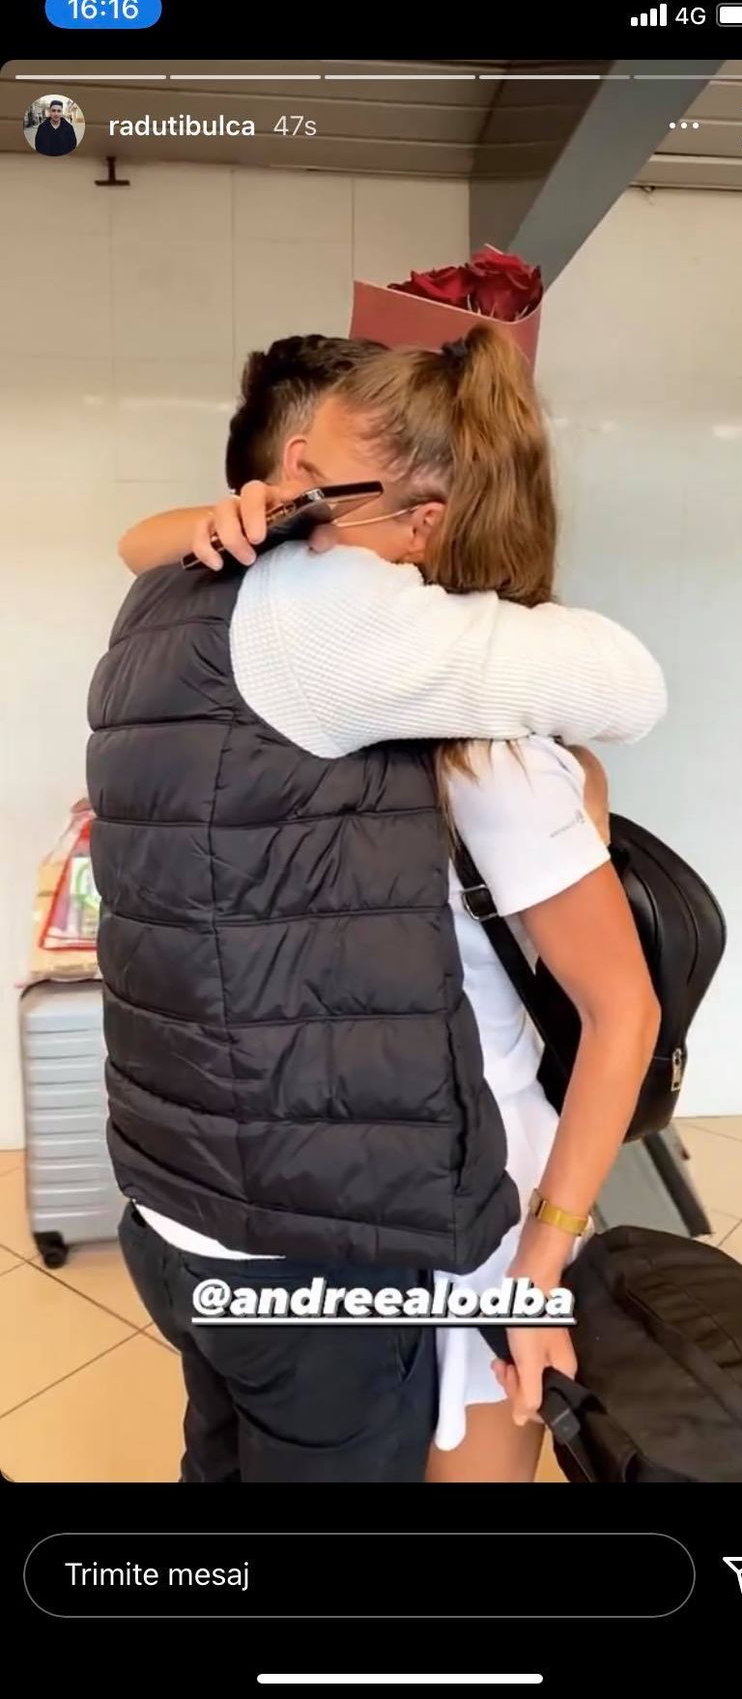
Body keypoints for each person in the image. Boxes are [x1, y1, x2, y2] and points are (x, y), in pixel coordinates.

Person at [88, 332, 665, 1486]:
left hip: (176, 1205)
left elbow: (138, 538)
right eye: (294, 469)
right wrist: (539, 1262)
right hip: (367, 1228)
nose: (294, 486)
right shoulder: (422, 698)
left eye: (319, 472)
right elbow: (621, 1008)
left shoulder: (169, 604)